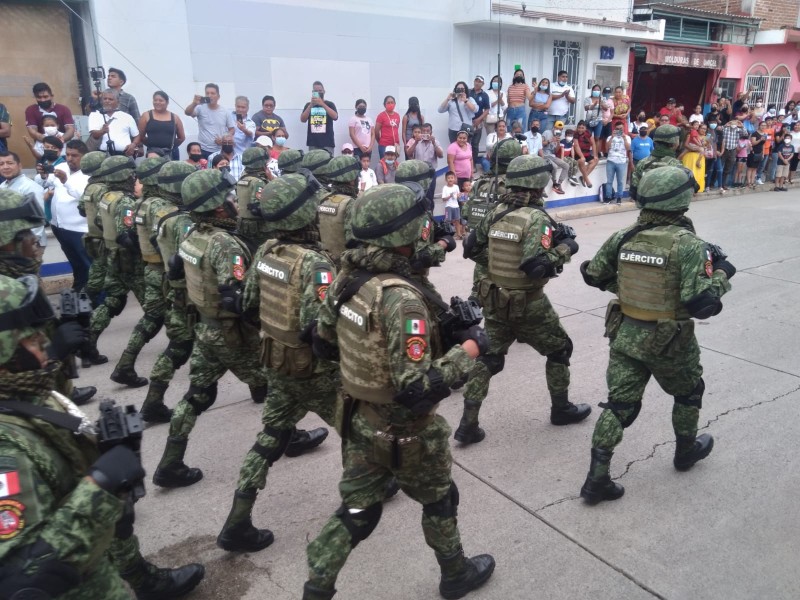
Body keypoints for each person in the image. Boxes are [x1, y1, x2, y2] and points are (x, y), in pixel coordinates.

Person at [302, 183, 494, 600]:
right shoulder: (401, 299)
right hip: (405, 428)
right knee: (441, 498)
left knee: (357, 510)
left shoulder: (349, 278)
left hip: (358, 418)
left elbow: (321, 342)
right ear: (403, 235)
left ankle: (316, 587)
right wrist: (471, 349)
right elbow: (417, 389)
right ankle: (455, 573)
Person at [0, 274, 206, 600]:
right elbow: (22, 582)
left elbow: (49, 405)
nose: (43, 343)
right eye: (31, 341)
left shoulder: (18, 387)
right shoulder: (5, 453)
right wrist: (99, 486)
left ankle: (143, 579)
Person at [578, 165, 734, 504]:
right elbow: (702, 304)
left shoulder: (625, 236)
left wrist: (624, 287)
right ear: (682, 199)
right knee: (690, 392)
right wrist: (722, 273)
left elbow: (592, 274)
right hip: (670, 342)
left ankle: (596, 479)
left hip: (626, 335)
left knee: (619, 405)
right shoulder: (690, 245)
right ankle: (685, 451)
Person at [216, 172, 334, 553]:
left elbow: (247, 304)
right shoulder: (316, 264)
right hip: (314, 371)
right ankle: (369, 492)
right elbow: (322, 333)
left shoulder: (266, 251)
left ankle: (237, 522)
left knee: (269, 439)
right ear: (303, 216)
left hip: (276, 361)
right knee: (361, 431)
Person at [457, 154, 590, 444]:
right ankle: (561, 409)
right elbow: (536, 266)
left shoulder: (497, 211)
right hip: (529, 304)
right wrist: (566, 247)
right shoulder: (537, 218)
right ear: (537, 184)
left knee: (489, 358)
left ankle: (468, 423)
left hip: (494, 300)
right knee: (559, 350)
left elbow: (471, 247)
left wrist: (496, 264)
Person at [151, 168, 269, 488]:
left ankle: (170, 462)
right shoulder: (224, 244)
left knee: (197, 395)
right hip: (231, 335)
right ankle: (290, 438)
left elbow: (176, 278)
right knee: (279, 390)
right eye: (229, 199)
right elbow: (238, 300)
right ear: (217, 207)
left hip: (205, 328)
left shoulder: (192, 236)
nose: (234, 203)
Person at [80, 156, 152, 386]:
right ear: (122, 175)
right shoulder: (125, 202)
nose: (133, 177)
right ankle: (177, 346)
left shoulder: (106, 197)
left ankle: (88, 342)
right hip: (131, 263)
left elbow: (100, 222)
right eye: (130, 173)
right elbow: (127, 237)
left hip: (112, 258)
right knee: (155, 310)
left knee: (112, 301)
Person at [140, 160, 198, 423]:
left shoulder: (163, 212)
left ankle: (153, 400)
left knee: (178, 347)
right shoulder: (183, 219)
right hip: (188, 294)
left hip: (173, 289)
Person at [49, 139, 92, 291]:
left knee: (87, 265)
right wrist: (43, 174)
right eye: (67, 154)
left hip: (79, 229)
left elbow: (84, 197)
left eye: (74, 155)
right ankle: (79, 293)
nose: (69, 159)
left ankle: (95, 299)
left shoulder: (90, 174)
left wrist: (66, 181)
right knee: (75, 264)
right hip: (59, 226)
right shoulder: (61, 166)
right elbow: (49, 182)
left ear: (85, 156)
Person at [76, 151, 109, 314]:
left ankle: (78, 312)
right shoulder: (106, 188)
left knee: (95, 280)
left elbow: (81, 210)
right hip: (107, 240)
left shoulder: (90, 187)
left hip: (94, 239)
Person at [0, 151, 46, 247]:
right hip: (8, 245)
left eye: (10, 163)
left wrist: (30, 245)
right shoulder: (2, 186)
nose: (5, 167)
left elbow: (38, 221)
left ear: (19, 166)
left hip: (26, 247)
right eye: (1, 164)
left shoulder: (30, 187)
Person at [236, 146, 276, 248]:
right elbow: (257, 208)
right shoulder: (258, 181)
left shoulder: (243, 177)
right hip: (259, 229)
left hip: (243, 225)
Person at [630, 124, 682, 201]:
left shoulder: (642, 163)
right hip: (669, 210)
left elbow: (634, 193)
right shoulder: (677, 165)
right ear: (674, 142)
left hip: (647, 211)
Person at [184, 83, 235, 159]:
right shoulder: (200, 108)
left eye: (212, 93)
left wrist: (224, 138)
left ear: (218, 96)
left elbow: (232, 129)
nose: (209, 95)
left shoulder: (225, 111)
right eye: (207, 93)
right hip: (203, 149)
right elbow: (187, 112)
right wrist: (194, 103)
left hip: (219, 150)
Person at [134, 91, 186, 160]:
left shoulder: (175, 117)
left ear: (167, 102)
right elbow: (141, 136)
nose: (157, 102)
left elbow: (181, 138)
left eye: (161, 100)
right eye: (155, 100)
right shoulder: (146, 115)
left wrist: (171, 146)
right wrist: (152, 145)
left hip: (171, 152)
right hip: (152, 153)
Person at [88, 89, 139, 156]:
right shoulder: (95, 115)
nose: (107, 101)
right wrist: (102, 131)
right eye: (105, 99)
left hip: (124, 155)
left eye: (110, 99)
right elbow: (94, 135)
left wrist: (133, 144)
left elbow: (137, 135)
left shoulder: (126, 117)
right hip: (102, 155)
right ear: (101, 101)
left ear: (117, 102)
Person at [25, 82, 75, 147]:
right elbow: (32, 131)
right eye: (39, 97)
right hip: (42, 147)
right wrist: (48, 141)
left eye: (45, 97)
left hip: (64, 145)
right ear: (35, 97)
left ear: (51, 96)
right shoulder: (31, 110)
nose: (42, 100)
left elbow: (70, 129)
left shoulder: (64, 109)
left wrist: (61, 140)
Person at [406, 122, 444, 202]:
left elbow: (441, 155)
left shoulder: (435, 141)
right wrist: (416, 142)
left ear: (431, 132)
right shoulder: (415, 141)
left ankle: (430, 213)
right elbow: (408, 154)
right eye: (424, 131)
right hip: (418, 173)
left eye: (428, 131)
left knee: (430, 196)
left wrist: (434, 143)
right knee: (419, 197)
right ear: (421, 132)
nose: (426, 133)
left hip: (431, 173)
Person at [301, 81, 339, 154]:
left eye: (320, 91)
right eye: (316, 91)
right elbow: (303, 119)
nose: (318, 92)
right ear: (313, 92)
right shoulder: (308, 105)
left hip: (327, 143)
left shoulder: (330, 104)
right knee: (313, 164)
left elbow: (335, 116)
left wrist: (322, 104)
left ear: (324, 91)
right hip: (313, 142)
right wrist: (311, 105)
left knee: (328, 164)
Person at [604, 121, 632, 203]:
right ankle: (608, 197)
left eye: (621, 129)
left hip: (622, 162)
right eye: (617, 129)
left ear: (624, 129)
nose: (619, 130)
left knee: (620, 181)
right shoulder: (610, 137)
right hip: (611, 161)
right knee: (609, 181)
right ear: (614, 129)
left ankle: (619, 197)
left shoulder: (627, 137)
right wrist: (612, 137)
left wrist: (624, 138)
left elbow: (628, 148)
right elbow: (606, 148)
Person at [469, 76, 491, 167]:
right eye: (476, 81)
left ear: (483, 84)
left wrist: (479, 119)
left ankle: (473, 164)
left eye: (480, 82)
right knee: (465, 144)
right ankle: (466, 164)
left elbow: (487, 110)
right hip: (467, 122)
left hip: (478, 122)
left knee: (475, 144)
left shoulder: (485, 95)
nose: (477, 83)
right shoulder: (468, 92)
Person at [719, 117, 745, 191]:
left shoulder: (738, 130)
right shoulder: (726, 129)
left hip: (733, 150)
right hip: (724, 150)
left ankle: (723, 184)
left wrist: (742, 126)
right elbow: (719, 128)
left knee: (728, 168)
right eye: (732, 122)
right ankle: (713, 183)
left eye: (735, 123)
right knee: (719, 167)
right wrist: (726, 125)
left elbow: (745, 133)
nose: (733, 124)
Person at [542, 121, 568, 194]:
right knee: (554, 166)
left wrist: (558, 142)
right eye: (557, 128)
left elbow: (556, 150)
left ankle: (558, 184)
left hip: (552, 155)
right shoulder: (547, 132)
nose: (558, 130)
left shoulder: (559, 136)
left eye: (560, 129)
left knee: (566, 165)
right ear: (553, 127)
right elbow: (540, 144)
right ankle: (554, 183)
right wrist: (550, 140)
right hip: (544, 155)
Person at [680, 122, 706, 193]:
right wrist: (692, 148)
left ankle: (697, 188)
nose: (703, 130)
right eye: (702, 128)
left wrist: (703, 144)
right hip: (691, 156)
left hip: (699, 157)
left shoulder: (704, 137)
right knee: (690, 172)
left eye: (705, 129)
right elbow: (686, 144)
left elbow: (707, 147)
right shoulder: (691, 133)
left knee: (697, 173)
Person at [573, 120, 598, 186]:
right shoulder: (575, 134)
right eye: (579, 127)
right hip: (577, 154)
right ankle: (587, 180)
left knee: (595, 161)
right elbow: (576, 146)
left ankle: (584, 177)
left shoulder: (588, 133)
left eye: (582, 128)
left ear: (585, 128)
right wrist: (581, 156)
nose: (580, 129)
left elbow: (593, 144)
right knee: (582, 161)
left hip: (587, 153)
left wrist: (595, 155)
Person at [442, 171, 462, 239]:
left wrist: (459, 195)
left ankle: (459, 234)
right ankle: (446, 235)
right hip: (448, 206)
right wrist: (450, 196)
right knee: (448, 220)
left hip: (456, 206)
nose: (450, 179)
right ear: (446, 179)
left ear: (454, 179)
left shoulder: (456, 186)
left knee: (457, 220)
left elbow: (458, 197)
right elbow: (443, 199)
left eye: (452, 178)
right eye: (448, 178)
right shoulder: (445, 188)